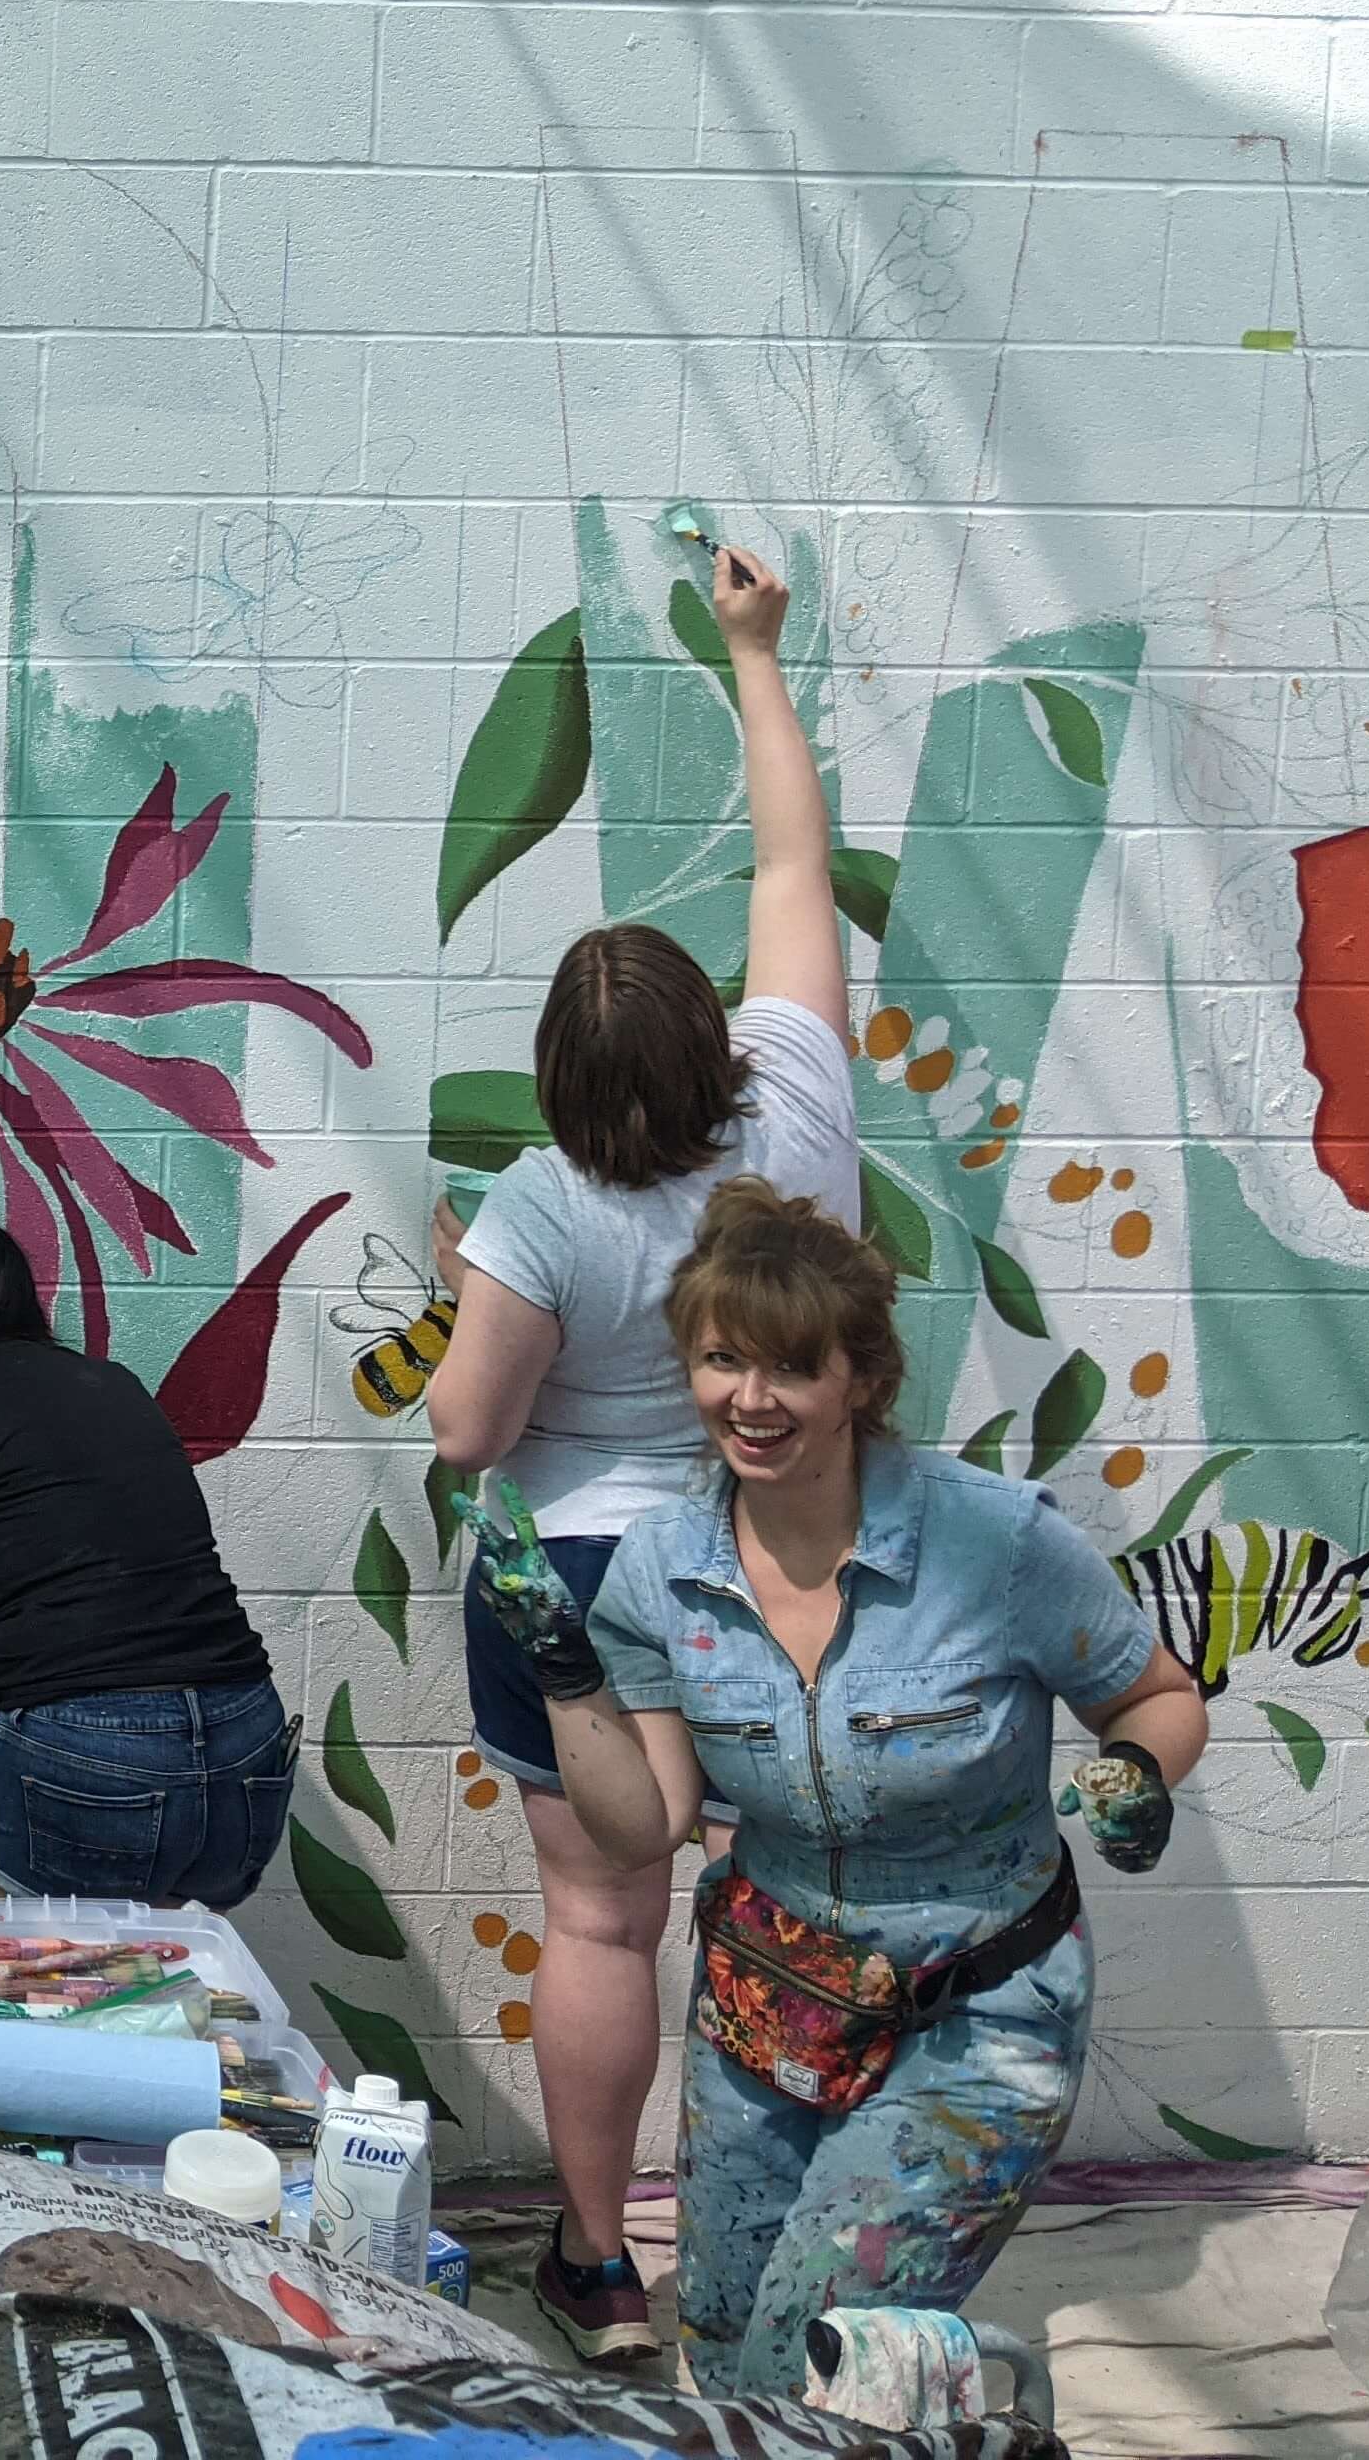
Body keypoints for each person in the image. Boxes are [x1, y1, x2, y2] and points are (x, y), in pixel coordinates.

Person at [470, 1178, 1204, 2398]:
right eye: (719, 1360)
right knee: (721, 2352)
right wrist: (562, 1668)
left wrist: (1136, 1767)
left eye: (790, 1368)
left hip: (982, 2009)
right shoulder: (659, 1570)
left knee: (809, 2359)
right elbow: (647, 1824)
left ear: (859, 1379)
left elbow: (1159, 1695)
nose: (749, 1400)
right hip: (771, 2003)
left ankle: (959, 2411)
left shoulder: (998, 1544)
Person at [421, 540, 861, 2364]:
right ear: (706, 1045)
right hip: (785, 1560)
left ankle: (602, 2266)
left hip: (590, 1581)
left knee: (602, 1920)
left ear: (558, 1078)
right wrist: (752, 648)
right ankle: (786, 2251)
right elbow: (788, 860)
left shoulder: (540, 1202)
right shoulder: (792, 1107)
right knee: (798, 1910)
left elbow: (469, 1430)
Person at [0, 1218, 292, 1907]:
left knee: (4, 1995)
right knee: (147, 1999)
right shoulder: (117, 1386)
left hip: (87, 1749)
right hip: (244, 1732)